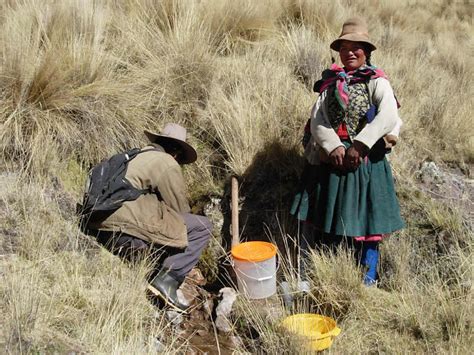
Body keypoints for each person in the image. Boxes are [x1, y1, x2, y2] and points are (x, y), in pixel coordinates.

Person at [291, 17, 404, 286]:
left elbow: (388, 115)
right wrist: (333, 147)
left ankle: (367, 281)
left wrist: (360, 144)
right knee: (332, 221)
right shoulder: (330, 84)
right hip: (334, 163)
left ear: (367, 51)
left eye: (356, 47)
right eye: (344, 47)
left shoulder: (377, 82)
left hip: (365, 164)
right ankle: (330, 276)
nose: (350, 52)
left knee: (367, 224)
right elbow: (318, 119)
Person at [86, 123, 212, 311]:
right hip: (123, 222)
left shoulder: (136, 154)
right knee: (203, 226)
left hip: (99, 223)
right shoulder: (166, 162)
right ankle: (168, 280)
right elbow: (179, 210)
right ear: (176, 151)